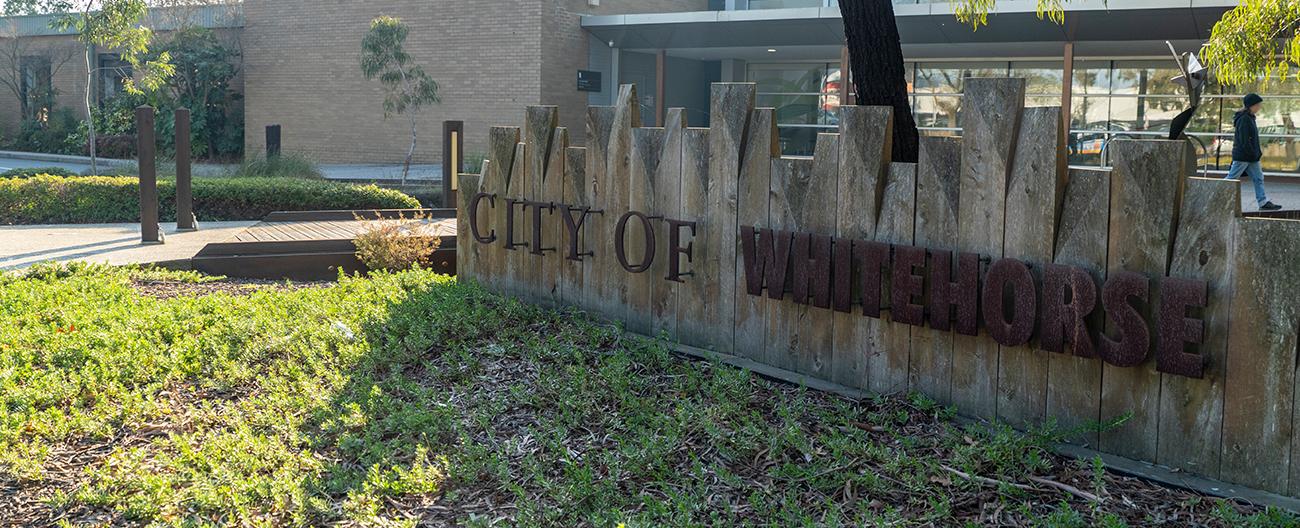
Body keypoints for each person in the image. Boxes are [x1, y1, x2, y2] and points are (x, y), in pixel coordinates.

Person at [1226, 93, 1282, 211]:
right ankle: (1214, 196)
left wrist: (1255, 154)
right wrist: (1252, 153)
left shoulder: (1249, 117)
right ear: (1251, 105)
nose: (1260, 107)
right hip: (1244, 156)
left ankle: (1263, 202)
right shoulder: (1244, 119)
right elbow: (1244, 140)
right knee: (1231, 178)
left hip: (1251, 157)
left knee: (1258, 178)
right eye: (1258, 105)